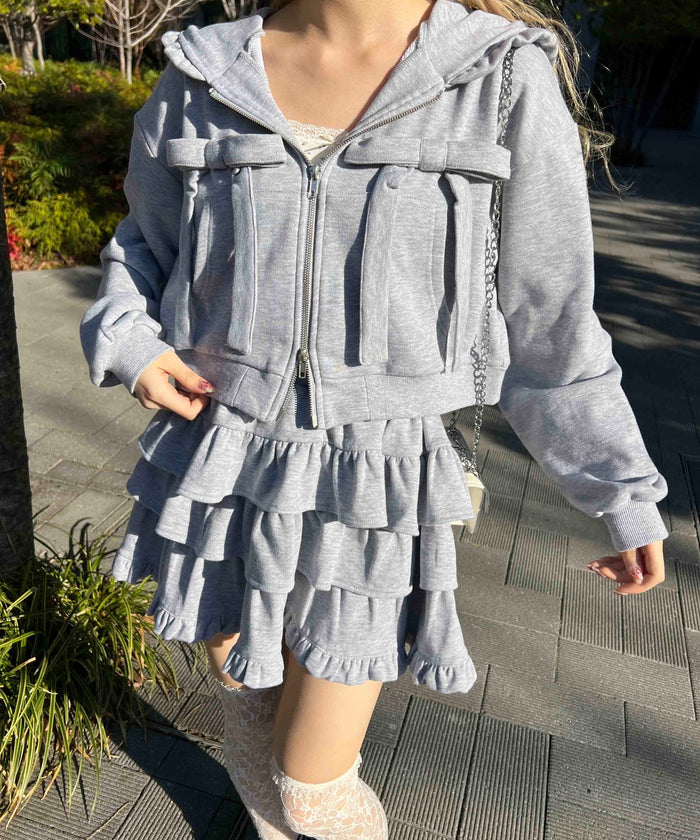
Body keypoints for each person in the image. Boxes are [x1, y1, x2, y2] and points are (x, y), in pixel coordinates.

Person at [79, 0, 670, 836]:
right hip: (219, 455)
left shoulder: (499, 77)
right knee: (245, 696)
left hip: (375, 482)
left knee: (310, 784)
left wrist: (620, 487)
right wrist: (130, 341)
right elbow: (145, 243)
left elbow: (550, 315)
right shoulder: (202, 73)